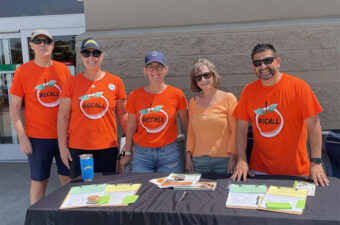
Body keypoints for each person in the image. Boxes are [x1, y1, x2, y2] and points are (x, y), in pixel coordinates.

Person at [231, 43, 330, 186]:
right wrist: (241, 160)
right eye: (258, 63)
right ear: (253, 67)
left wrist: (316, 162)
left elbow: (314, 126)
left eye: (267, 61)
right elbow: (241, 129)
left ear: (277, 62)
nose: (263, 66)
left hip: (295, 171)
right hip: (259, 170)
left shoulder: (299, 87)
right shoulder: (248, 91)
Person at [9, 29, 71, 205]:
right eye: (38, 41)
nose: (42, 44)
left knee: (68, 180)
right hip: (37, 138)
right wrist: (22, 137)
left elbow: (70, 104)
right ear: (31, 45)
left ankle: (71, 217)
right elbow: (14, 108)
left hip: (64, 136)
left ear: (52, 45)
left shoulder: (62, 70)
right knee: (39, 182)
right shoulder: (22, 71)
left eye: (47, 41)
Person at [57, 38, 127, 179]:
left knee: (105, 191)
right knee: (80, 192)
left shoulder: (115, 82)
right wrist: (62, 146)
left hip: (107, 147)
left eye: (95, 53)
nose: (91, 57)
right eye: (86, 53)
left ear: (102, 56)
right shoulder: (71, 83)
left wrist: (130, 145)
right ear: (81, 56)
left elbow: (124, 116)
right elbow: (63, 116)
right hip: (78, 148)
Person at [119, 51, 188, 172]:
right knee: (142, 189)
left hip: (169, 154)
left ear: (165, 69)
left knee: (170, 190)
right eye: (151, 67)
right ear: (145, 70)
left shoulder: (177, 94)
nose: (155, 71)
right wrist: (128, 152)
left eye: (159, 67)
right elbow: (131, 126)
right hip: (142, 155)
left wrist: (189, 152)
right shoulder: (135, 95)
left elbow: (186, 125)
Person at [185, 59, 238, 174]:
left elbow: (236, 131)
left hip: (224, 161)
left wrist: (234, 158)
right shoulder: (193, 102)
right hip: (198, 162)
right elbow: (191, 133)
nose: (203, 80)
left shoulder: (229, 98)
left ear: (213, 75)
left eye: (206, 75)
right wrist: (188, 157)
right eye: (198, 77)